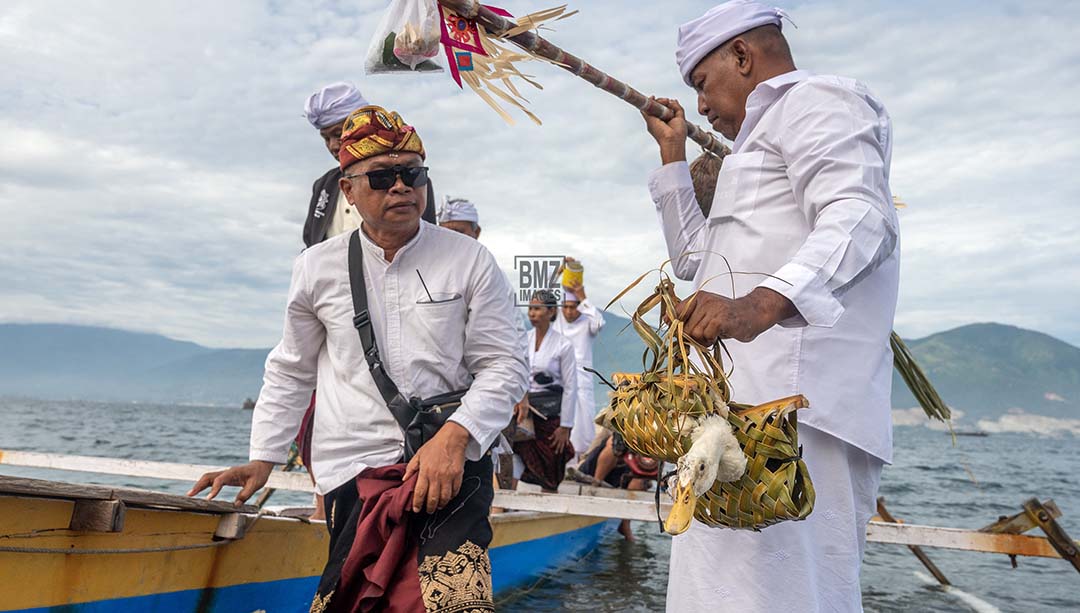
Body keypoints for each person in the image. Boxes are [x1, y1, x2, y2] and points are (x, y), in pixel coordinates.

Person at [190, 105, 528, 612]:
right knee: (354, 602)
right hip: (353, 469)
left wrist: (455, 440)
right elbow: (292, 368)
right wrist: (263, 456)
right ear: (349, 191)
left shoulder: (469, 259)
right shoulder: (315, 268)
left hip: (451, 466)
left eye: (413, 173)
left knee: (456, 603)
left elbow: (504, 363)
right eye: (383, 176)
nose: (401, 187)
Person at [642, 2, 899, 611]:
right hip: (734, 421)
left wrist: (759, 304)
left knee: (793, 597)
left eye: (701, 85)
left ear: (742, 55)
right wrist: (673, 159)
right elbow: (696, 263)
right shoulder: (748, 150)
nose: (700, 106)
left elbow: (861, 216)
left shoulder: (819, 100)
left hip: (797, 421)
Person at [302, 82, 435, 248]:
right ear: (347, 189)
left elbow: (426, 242)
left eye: (338, 134)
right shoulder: (324, 185)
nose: (333, 145)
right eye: (326, 139)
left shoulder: (411, 179)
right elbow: (311, 241)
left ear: (361, 126)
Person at [512, 289, 578, 492]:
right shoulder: (524, 339)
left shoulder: (563, 345)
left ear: (551, 312)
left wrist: (566, 426)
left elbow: (570, 387)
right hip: (523, 411)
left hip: (550, 414)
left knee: (551, 462)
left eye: (538, 309)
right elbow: (516, 373)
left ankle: (547, 510)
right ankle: (501, 507)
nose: (532, 313)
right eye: (530, 308)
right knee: (510, 455)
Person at [551, 258, 606, 455]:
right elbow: (543, 298)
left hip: (581, 380)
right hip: (558, 379)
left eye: (573, 306)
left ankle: (580, 464)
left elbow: (599, 323)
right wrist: (558, 273)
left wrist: (584, 298)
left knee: (583, 426)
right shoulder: (557, 317)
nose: (568, 311)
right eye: (564, 306)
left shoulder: (587, 321)